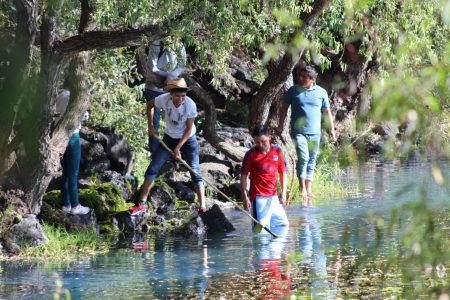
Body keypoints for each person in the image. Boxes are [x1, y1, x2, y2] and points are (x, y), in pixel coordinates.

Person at [128, 78, 206, 215]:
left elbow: (188, 130)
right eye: (177, 96)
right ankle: (142, 204)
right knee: (153, 167)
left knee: (194, 170)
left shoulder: (190, 105)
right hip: (169, 138)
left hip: (188, 139)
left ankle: (203, 207)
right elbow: (149, 105)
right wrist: (151, 127)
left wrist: (178, 148)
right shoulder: (163, 99)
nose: (180, 99)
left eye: (183, 96)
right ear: (171, 94)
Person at [276, 65, 336, 204]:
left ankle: (309, 189)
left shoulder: (321, 92)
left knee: (312, 160)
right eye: (300, 76)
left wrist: (331, 130)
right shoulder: (293, 91)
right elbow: (283, 108)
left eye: (304, 77)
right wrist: (280, 125)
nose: (300, 79)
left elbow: (327, 112)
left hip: (315, 132)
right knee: (303, 157)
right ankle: (302, 188)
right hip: (298, 132)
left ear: (312, 79)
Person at [240, 125, 289, 231]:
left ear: (269, 137)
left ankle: (276, 247)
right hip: (258, 198)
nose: (260, 145)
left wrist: (284, 192)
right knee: (260, 230)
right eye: (257, 142)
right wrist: (245, 196)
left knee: (283, 225)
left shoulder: (278, 151)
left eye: (263, 141)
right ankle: (259, 247)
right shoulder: (251, 154)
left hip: (273, 197)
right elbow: (243, 176)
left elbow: (283, 172)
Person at [142, 38, 187, 153]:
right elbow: (151, 67)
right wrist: (167, 76)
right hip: (154, 88)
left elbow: (182, 65)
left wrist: (171, 76)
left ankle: (174, 151)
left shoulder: (179, 45)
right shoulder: (157, 43)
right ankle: (154, 152)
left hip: (172, 89)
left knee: (175, 119)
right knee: (154, 121)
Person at [55, 89, 90, 215]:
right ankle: (75, 205)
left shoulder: (58, 94)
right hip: (72, 136)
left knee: (65, 171)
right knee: (73, 173)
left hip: (58, 136)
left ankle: (66, 203)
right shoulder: (76, 96)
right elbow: (84, 115)